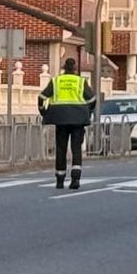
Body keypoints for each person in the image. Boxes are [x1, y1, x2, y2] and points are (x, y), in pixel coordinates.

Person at [39, 57, 95, 189]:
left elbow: (42, 97)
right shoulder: (80, 81)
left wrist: (43, 111)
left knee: (61, 149)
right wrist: (88, 112)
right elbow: (92, 99)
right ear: (74, 68)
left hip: (60, 119)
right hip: (78, 119)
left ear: (64, 68)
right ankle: (75, 179)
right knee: (76, 149)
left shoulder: (56, 80)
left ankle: (60, 179)